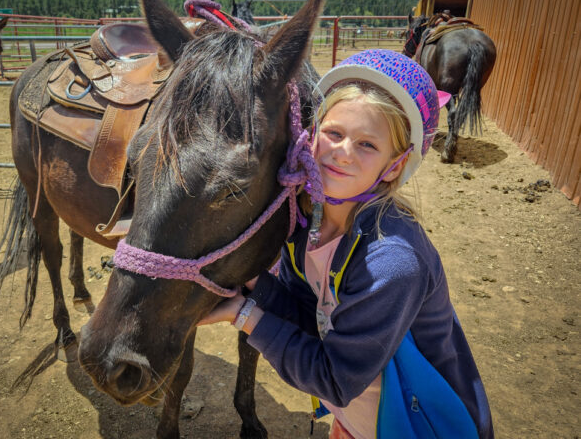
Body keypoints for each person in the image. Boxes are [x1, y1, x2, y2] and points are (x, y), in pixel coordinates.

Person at [198, 49, 493, 439]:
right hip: (362, 418)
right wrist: (253, 283)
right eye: (334, 133)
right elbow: (312, 315)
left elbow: (335, 379)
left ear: (396, 165)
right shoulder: (308, 224)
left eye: (367, 144)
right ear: (312, 134)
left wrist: (245, 316)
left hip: (418, 425)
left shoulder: (392, 263)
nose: (342, 152)